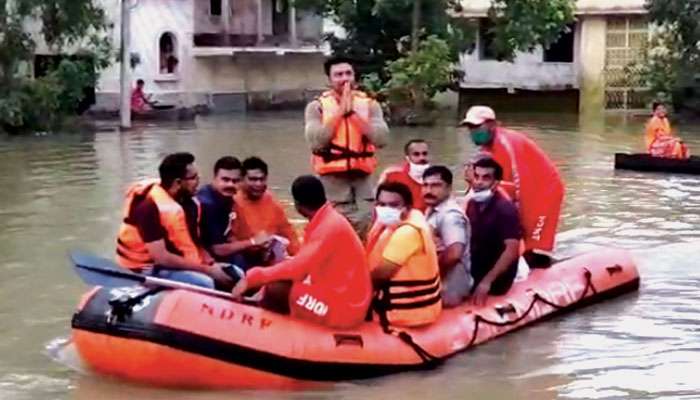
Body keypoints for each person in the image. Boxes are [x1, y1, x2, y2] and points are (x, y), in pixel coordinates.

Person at [232, 176, 372, 329]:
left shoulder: (328, 227)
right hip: (340, 299)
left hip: (343, 309)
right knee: (276, 283)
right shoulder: (327, 220)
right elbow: (300, 268)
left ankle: (262, 333)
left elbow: (297, 270)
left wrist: (253, 277)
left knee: (276, 289)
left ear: (298, 205)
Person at [461, 105, 563, 269]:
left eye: (477, 126)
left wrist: (517, 221)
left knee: (530, 237)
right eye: (470, 128)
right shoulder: (486, 147)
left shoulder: (508, 143)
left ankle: (533, 262)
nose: (473, 131)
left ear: (492, 124)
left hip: (543, 189)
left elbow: (522, 182)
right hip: (518, 185)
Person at [116, 152, 234, 288]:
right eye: (193, 177)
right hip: (145, 268)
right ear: (178, 182)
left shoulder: (188, 202)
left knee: (234, 273)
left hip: (174, 262)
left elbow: (193, 242)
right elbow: (161, 257)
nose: (199, 180)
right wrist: (207, 270)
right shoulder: (148, 207)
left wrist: (211, 264)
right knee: (204, 283)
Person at [305, 56, 389, 234]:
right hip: (332, 187)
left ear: (355, 77)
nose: (344, 79)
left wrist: (353, 115)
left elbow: (381, 139)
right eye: (338, 75)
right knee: (335, 235)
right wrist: (340, 113)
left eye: (348, 73)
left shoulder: (370, 105)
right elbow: (316, 141)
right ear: (329, 80)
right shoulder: (316, 107)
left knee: (365, 233)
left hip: (362, 186)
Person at [366, 182, 442, 328]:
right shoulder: (394, 223)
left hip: (405, 312)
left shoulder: (408, 233)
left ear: (407, 208)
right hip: (401, 302)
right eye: (382, 204)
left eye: (393, 205)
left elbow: (381, 274)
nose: (386, 209)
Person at [466, 156, 522, 306]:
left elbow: (512, 250)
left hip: (498, 277)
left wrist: (487, 282)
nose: (478, 182)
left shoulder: (505, 209)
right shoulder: (473, 203)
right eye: (476, 176)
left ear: (495, 183)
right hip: (478, 265)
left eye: (485, 178)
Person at [230, 157, 300, 267]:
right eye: (253, 179)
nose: (258, 184)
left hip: (269, 255)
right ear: (241, 179)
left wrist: (299, 258)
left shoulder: (271, 201)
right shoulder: (231, 202)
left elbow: (288, 232)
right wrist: (253, 244)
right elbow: (228, 242)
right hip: (242, 256)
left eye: (262, 179)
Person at [422, 166, 473, 307]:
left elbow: (454, 254)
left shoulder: (450, 216)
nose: (428, 191)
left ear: (449, 188)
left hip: (451, 285)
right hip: (440, 278)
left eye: (435, 186)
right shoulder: (433, 209)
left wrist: (428, 274)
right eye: (425, 185)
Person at [197, 156, 262, 267]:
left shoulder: (224, 197)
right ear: (214, 178)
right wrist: (253, 242)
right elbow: (218, 249)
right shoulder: (208, 204)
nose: (230, 185)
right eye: (225, 180)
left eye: (235, 181)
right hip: (204, 258)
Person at [378, 139, 431, 212]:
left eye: (425, 154)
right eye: (416, 154)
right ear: (407, 157)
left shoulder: (438, 178)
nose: (421, 158)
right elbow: (379, 205)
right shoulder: (391, 175)